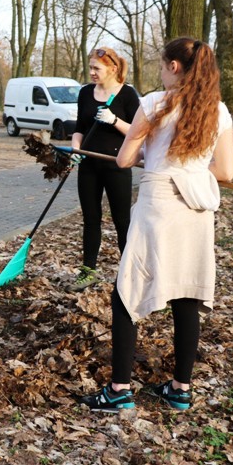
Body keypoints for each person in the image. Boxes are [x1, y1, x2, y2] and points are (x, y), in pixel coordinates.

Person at [82, 38, 233, 413]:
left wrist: (152, 154)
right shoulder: (219, 110)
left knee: (127, 293)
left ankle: (119, 390)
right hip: (197, 211)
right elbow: (226, 172)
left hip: (159, 206)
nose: (161, 71)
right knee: (187, 295)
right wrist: (192, 168)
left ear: (176, 68)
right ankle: (180, 389)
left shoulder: (153, 103)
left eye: (164, 65)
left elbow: (124, 159)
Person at [68, 47, 141, 292]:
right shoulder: (86, 93)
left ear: (113, 69)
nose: (92, 73)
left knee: (122, 221)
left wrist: (114, 120)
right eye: (90, 68)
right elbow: (80, 127)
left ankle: (129, 274)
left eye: (96, 68)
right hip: (88, 165)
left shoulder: (127, 95)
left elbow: (137, 131)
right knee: (91, 219)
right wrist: (76, 149)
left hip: (117, 165)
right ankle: (88, 271)